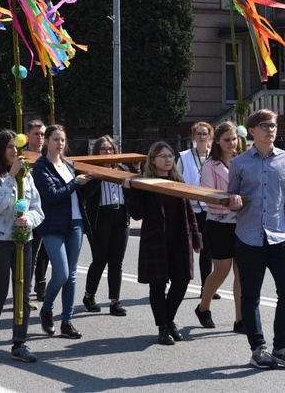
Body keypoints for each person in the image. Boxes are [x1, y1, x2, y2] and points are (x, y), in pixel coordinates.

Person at [228, 109, 285, 370]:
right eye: (264, 125)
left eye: (272, 125)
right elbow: (230, 200)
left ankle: (282, 348)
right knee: (250, 296)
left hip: (280, 236)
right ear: (251, 131)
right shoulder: (239, 163)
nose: (270, 129)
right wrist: (234, 203)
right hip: (249, 237)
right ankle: (258, 349)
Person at [123, 141, 202, 346]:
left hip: (180, 238)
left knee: (182, 280)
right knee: (157, 285)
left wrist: (196, 235)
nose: (168, 160)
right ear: (153, 160)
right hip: (156, 239)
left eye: (170, 156)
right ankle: (163, 327)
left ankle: (169, 320)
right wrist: (129, 191)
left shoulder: (177, 180)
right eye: (163, 156)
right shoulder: (145, 182)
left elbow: (189, 211)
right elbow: (137, 213)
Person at [0, 130, 44, 362]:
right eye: (9, 147)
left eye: (16, 147)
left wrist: (29, 220)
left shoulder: (27, 176)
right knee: (0, 291)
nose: (14, 151)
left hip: (22, 240)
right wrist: (11, 176)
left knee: (23, 292)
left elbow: (38, 209)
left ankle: (20, 343)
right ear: (0, 150)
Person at [32, 124, 92, 339]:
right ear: (47, 141)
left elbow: (77, 197)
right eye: (56, 139)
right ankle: (46, 309)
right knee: (62, 273)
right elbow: (52, 196)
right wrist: (75, 183)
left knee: (72, 276)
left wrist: (90, 183)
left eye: (63, 140)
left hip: (75, 222)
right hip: (52, 225)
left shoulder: (69, 164)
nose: (60, 144)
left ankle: (67, 321)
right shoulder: (41, 167)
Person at [195, 121, 243, 332]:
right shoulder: (210, 165)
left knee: (242, 272)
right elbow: (207, 196)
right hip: (219, 223)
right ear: (217, 142)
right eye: (227, 140)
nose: (232, 143)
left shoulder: (243, 161)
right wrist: (229, 200)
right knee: (221, 271)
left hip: (243, 223)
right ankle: (203, 307)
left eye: (234, 139)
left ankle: (240, 320)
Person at [82, 135, 134, 316]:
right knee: (99, 260)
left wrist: (132, 178)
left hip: (120, 216)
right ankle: (89, 295)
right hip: (100, 217)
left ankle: (114, 301)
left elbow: (133, 192)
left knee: (116, 262)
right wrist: (97, 177)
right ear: (97, 152)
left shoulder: (122, 169)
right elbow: (84, 196)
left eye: (110, 149)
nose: (107, 152)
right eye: (103, 149)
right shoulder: (90, 171)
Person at [177, 121, 217, 299]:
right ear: (193, 136)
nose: (201, 136)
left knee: (207, 251)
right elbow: (176, 182)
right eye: (198, 133)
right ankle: (179, 284)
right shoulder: (184, 156)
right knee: (186, 249)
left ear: (210, 136)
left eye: (204, 133)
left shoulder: (215, 156)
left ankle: (205, 288)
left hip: (209, 209)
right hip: (189, 209)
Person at [25, 119, 49, 303]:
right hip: (29, 210)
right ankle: (23, 291)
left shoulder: (49, 155)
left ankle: (40, 285)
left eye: (43, 134)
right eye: (36, 134)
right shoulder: (22, 155)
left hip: (48, 208)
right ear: (28, 136)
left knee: (45, 251)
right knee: (30, 252)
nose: (40, 137)